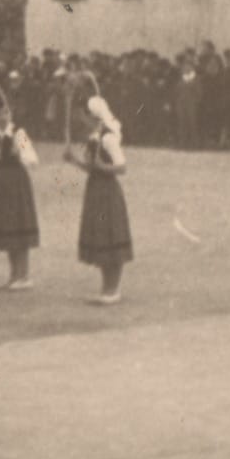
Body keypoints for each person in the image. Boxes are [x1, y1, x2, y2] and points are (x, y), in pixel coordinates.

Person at [65, 95, 133, 304]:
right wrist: (74, 160)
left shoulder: (108, 138)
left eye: (83, 116)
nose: (80, 120)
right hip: (95, 189)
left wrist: (102, 166)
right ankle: (107, 288)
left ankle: (113, 289)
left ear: (92, 116)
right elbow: (91, 168)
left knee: (110, 236)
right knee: (102, 237)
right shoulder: (94, 138)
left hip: (107, 191)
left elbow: (122, 167)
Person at [0, 102, 40, 290]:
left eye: (4, 113)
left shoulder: (19, 134)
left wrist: (19, 153)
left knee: (19, 226)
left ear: (10, 114)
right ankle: (14, 275)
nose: (1, 117)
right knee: (8, 228)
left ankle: (24, 275)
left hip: (17, 182)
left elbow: (33, 160)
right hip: (2, 184)